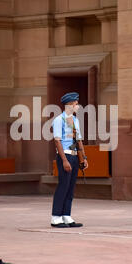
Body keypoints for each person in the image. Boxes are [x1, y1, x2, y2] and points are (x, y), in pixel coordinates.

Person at [51, 92, 88, 228]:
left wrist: (83, 158)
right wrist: (64, 160)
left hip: (74, 155)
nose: (78, 106)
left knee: (71, 187)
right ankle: (56, 217)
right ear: (70, 104)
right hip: (65, 156)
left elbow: (78, 140)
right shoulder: (58, 120)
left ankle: (66, 215)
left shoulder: (75, 120)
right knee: (63, 186)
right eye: (76, 104)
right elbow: (57, 142)